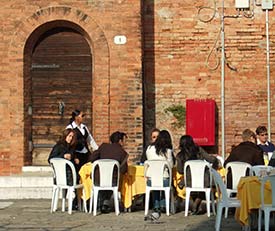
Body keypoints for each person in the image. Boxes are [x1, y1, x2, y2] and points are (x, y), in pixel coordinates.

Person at [176, 135, 218, 215]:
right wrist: (215, 158)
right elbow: (210, 159)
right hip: (203, 180)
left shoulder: (180, 156)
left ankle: (196, 205)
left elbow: (180, 171)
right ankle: (197, 202)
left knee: (189, 186)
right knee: (207, 184)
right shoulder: (199, 150)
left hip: (188, 181)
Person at [88, 131, 129, 213]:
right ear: (120, 141)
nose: (124, 143)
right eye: (124, 141)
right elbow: (124, 170)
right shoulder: (122, 153)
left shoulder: (103, 147)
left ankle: (103, 203)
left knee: (102, 178)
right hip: (112, 181)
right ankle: (105, 203)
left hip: (98, 179)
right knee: (113, 178)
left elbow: (91, 158)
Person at [48, 128, 79, 209]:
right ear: (65, 136)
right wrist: (63, 157)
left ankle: (77, 202)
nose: (71, 138)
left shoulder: (71, 147)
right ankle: (76, 202)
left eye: (72, 136)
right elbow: (50, 159)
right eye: (69, 136)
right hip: (63, 176)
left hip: (69, 173)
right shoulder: (58, 146)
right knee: (80, 178)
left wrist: (74, 158)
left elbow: (72, 156)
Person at [145, 129, 174, 213]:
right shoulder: (168, 151)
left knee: (154, 182)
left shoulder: (149, 149)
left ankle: (156, 206)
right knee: (165, 183)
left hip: (151, 179)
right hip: (164, 179)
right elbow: (171, 166)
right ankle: (164, 205)